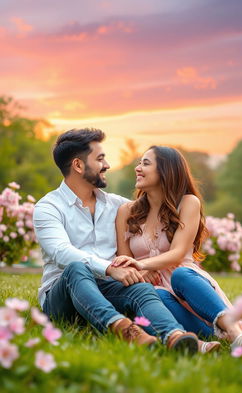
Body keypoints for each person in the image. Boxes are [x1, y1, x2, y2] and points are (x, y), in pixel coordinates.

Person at [33, 128, 203, 354]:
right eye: (100, 158)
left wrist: (146, 263)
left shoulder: (117, 206)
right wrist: (110, 268)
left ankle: (174, 336)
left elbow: (158, 210)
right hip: (64, 299)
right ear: (78, 165)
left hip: (108, 291)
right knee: (76, 269)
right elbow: (62, 252)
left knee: (141, 289)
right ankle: (123, 329)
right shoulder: (48, 208)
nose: (107, 165)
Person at [113, 145, 242, 352]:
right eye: (139, 163)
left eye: (145, 163)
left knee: (181, 274)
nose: (138, 168)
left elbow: (178, 253)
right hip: (153, 288)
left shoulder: (188, 202)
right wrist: (139, 271)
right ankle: (209, 337)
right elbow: (124, 262)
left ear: (166, 170)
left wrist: (144, 264)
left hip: (188, 284)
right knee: (156, 295)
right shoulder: (126, 212)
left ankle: (236, 333)